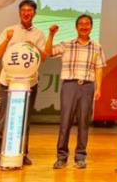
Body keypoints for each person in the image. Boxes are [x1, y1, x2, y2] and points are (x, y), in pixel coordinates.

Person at [0, 0, 47, 167]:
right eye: (23, 10)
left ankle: (22, 153)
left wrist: (34, 47)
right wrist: (7, 40)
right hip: (8, 82)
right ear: (19, 12)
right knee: (3, 118)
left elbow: (43, 57)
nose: (26, 13)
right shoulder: (9, 30)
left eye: (30, 10)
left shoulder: (38, 34)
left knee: (24, 119)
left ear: (34, 13)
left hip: (29, 83)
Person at [44, 15, 106, 169]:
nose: (84, 26)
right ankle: (61, 157)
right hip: (70, 85)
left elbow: (99, 67)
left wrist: (98, 88)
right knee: (65, 121)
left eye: (87, 24)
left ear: (91, 27)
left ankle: (80, 157)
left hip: (87, 86)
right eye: (81, 24)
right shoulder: (67, 44)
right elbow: (48, 52)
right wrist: (51, 34)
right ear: (76, 27)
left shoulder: (96, 46)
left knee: (84, 122)